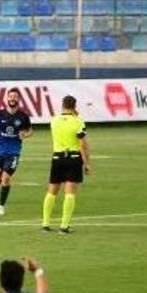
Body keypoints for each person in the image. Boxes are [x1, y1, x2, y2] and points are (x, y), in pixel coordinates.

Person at [41, 95, 91, 234]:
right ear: (75, 106)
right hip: (73, 158)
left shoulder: (54, 121)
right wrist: (87, 163)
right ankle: (64, 226)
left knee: (52, 191)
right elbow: (83, 144)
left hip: (57, 157)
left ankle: (45, 224)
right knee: (69, 192)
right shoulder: (78, 121)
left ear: (62, 105)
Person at [0, 87, 33, 216]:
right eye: (11, 96)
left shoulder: (23, 116)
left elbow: (30, 130)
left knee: (6, 178)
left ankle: (1, 206)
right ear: (7, 98)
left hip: (14, 152)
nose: (13, 98)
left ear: (18, 99)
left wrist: (25, 135)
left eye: (15, 96)